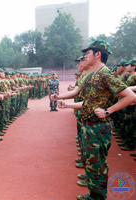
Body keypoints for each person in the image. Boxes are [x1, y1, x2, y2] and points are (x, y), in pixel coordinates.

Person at [56, 40, 136, 200]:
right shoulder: (94, 75)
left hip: (98, 129)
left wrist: (108, 111)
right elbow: (88, 102)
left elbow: (130, 96)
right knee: (91, 165)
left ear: (98, 54)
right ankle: (93, 194)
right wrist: (67, 104)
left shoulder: (105, 74)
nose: (85, 57)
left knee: (98, 166)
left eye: (88, 53)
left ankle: (98, 197)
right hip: (88, 127)